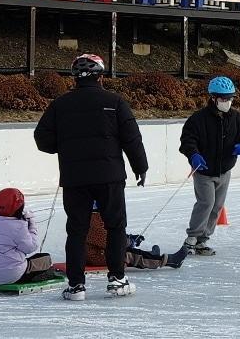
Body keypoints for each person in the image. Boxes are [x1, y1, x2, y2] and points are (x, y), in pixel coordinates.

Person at [34, 53, 148, 301]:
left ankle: (76, 286)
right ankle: (117, 278)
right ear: (101, 76)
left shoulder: (60, 104)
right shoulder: (114, 102)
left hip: (75, 178)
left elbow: (42, 139)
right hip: (110, 176)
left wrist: (65, 146)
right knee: (115, 226)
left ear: (74, 77)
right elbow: (132, 138)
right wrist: (141, 166)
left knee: (77, 230)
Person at [177, 76, 240, 256]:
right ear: (213, 98)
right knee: (206, 202)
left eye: (230, 98)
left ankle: (203, 240)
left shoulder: (238, 119)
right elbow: (187, 140)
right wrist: (194, 155)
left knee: (217, 206)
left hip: (224, 170)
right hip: (203, 170)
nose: (227, 102)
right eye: (223, 99)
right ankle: (192, 237)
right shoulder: (199, 119)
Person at [0, 188, 57, 285]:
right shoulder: (17, 226)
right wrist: (31, 224)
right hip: (11, 276)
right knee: (45, 258)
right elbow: (31, 247)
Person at [85, 206, 187, 270]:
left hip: (97, 252)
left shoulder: (95, 217)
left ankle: (150, 255)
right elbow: (109, 241)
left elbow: (110, 234)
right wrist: (130, 241)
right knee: (129, 254)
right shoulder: (93, 220)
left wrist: (128, 238)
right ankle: (168, 261)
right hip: (97, 256)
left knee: (122, 249)